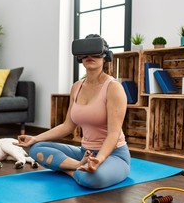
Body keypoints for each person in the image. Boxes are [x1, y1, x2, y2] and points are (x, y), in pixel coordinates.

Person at [15, 34, 131, 189]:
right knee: (35, 148)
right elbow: (67, 126)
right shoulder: (76, 87)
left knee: (93, 179)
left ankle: (67, 169)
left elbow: (113, 134)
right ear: (79, 56)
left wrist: (99, 159)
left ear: (105, 56)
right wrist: (35, 138)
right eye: (85, 52)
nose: (90, 56)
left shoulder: (114, 88)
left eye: (95, 52)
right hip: (84, 153)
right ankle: (77, 166)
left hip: (113, 155)